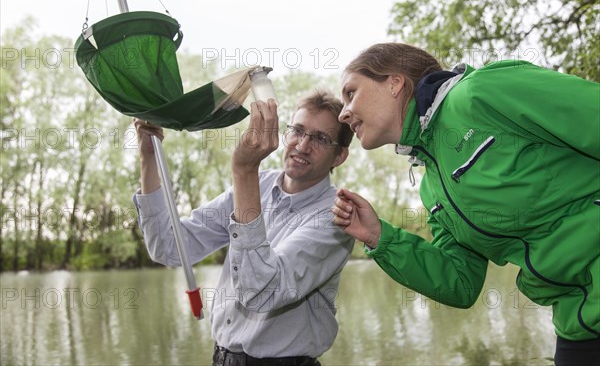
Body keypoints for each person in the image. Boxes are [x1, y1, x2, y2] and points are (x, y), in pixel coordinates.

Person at [331, 43, 600, 365]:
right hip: (579, 324)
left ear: (394, 82)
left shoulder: (481, 93)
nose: (343, 113)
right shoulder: (432, 188)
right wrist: (379, 237)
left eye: (351, 93)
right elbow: (459, 283)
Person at [133, 89, 354, 366]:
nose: (302, 145)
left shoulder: (337, 216)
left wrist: (243, 171)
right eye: (297, 130)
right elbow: (168, 248)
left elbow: (261, 291)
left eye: (321, 138)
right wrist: (148, 158)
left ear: (339, 157)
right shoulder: (257, 184)